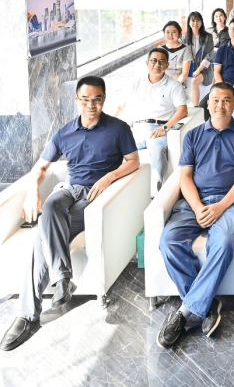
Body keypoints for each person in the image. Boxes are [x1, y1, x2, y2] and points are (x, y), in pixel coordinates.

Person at [0, 76, 139, 351]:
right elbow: (40, 168)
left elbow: (134, 161)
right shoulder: (64, 132)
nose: (91, 105)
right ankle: (62, 279)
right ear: (77, 99)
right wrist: (32, 190)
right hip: (68, 190)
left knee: (42, 235)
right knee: (51, 207)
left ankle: (27, 315)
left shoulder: (118, 129)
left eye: (97, 99)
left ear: (104, 99)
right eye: (85, 99)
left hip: (95, 196)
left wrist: (110, 177)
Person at [156, 82, 234, 349]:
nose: (220, 105)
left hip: (229, 203)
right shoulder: (193, 135)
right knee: (168, 242)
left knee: (222, 243)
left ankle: (183, 313)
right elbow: (185, 177)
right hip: (194, 202)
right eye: (215, 100)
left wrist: (220, 206)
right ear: (208, 103)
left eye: (226, 100)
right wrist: (199, 206)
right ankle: (207, 303)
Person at [115, 48, 188, 191]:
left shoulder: (174, 85)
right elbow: (121, 105)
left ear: (167, 65)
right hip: (137, 128)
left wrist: (165, 127)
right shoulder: (136, 82)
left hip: (159, 128)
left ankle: (156, 192)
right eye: (154, 61)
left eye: (161, 61)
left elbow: (183, 110)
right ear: (147, 63)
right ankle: (119, 190)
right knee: (115, 148)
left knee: (157, 150)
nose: (157, 65)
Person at [200, 19, 234, 121]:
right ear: (228, 31)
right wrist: (223, 88)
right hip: (224, 86)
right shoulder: (222, 49)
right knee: (203, 106)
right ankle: (213, 127)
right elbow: (217, 72)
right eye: (233, 29)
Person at [181, 11, 215, 106]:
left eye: (198, 20)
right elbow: (180, 53)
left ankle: (196, 108)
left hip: (205, 69)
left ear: (201, 22)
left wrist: (199, 70)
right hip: (189, 68)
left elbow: (209, 57)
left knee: (194, 81)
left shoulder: (208, 37)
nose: (195, 23)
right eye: (193, 21)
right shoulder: (184, 38)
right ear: (189, 22)